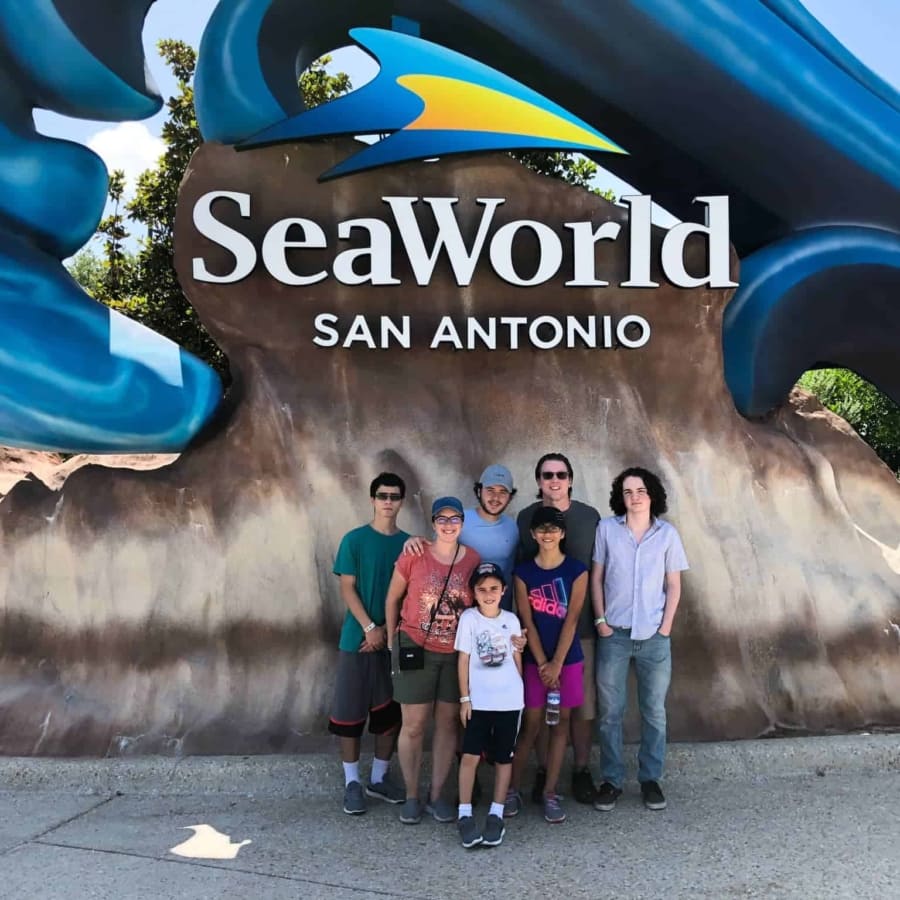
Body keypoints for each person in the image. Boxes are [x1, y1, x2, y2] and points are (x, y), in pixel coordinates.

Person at [591, 467, 689, 813]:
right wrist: (600, 621)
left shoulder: (667, 535)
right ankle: (612, 781)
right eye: (628, 491)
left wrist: (665, 628)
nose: (635, 496)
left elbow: (674, 584)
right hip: (613, 635)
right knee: (610, 714)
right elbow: (597, 577)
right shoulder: (606, 529)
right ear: (621, 495)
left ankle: (650, 779)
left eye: (641, 490)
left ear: (652, 495)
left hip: (654, 637)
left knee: (654, 712)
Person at [385, 496, 481, 825]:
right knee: (413, 725)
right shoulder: (414, 554)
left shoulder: (472, 560)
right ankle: (412, 795)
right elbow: (393, 596)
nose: (449, 524)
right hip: (415, 646)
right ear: (433, 522)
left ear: (462, 524)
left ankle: (438, 794)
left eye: (455, 519)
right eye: (443, 518)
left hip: (455, 653)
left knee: (447, 724)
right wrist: (390, 639)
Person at [516, 453, 600, 804]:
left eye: (561, 474)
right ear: (538, 481)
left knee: (580, 708)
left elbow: (600, 566)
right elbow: (524, 566)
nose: (554, 480)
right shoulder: (524, 518)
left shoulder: (589, 516)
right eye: (547, 474)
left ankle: (579, 770)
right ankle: (541, 772)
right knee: (536, 711)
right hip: (538, 632)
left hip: (580, 629)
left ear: (570, 479)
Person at [328, 472, 409, 815]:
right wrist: (370, 628)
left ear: (402, 501)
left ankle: (378, 778)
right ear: (373, 499)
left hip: (394, 643)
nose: (388, 501)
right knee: (350, 714)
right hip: (357, 641)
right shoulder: (354, 540)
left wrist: (387, 635)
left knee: (390, 714)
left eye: (394, 496)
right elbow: (348, 587)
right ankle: (352, 783)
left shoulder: (409, 544)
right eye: (382, 495)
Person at [506, 506, 587, 824]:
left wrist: (556, 664)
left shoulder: (577, 571)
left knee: (560, 726)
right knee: (531, 725)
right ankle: (512, 788)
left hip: (567, 661)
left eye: (553, 529)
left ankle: (550, 792)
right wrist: (543, 664)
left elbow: (572, 621)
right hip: (535, 663)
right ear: (532, 534)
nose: (547, 534)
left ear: (563, 533)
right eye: (541, 529)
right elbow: (526, 621)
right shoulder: (523, 573)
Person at [455, 562, 524, 848]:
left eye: (494, 588)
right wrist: (465, 698)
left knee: (504, 758)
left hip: (509, 702)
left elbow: (517, 659)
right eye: (482, 589)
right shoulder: (469, 619)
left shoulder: (512, 620)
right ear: (473, 592)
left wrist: (520, 693)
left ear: (503, 590)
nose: (488, 594)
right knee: (470, 756)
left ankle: (496, 812)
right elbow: (463, 659)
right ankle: (465, 813)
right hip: (479, 702)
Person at [403, 464, 519, 609]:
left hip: (499, 612)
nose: (496, 497)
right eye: (490, 490)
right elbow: (434, 551)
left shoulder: (514, 527)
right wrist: (413, 539)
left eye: (503, 492)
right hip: (460, 609)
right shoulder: (459, 520)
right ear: (479, 491)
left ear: (510, 497)